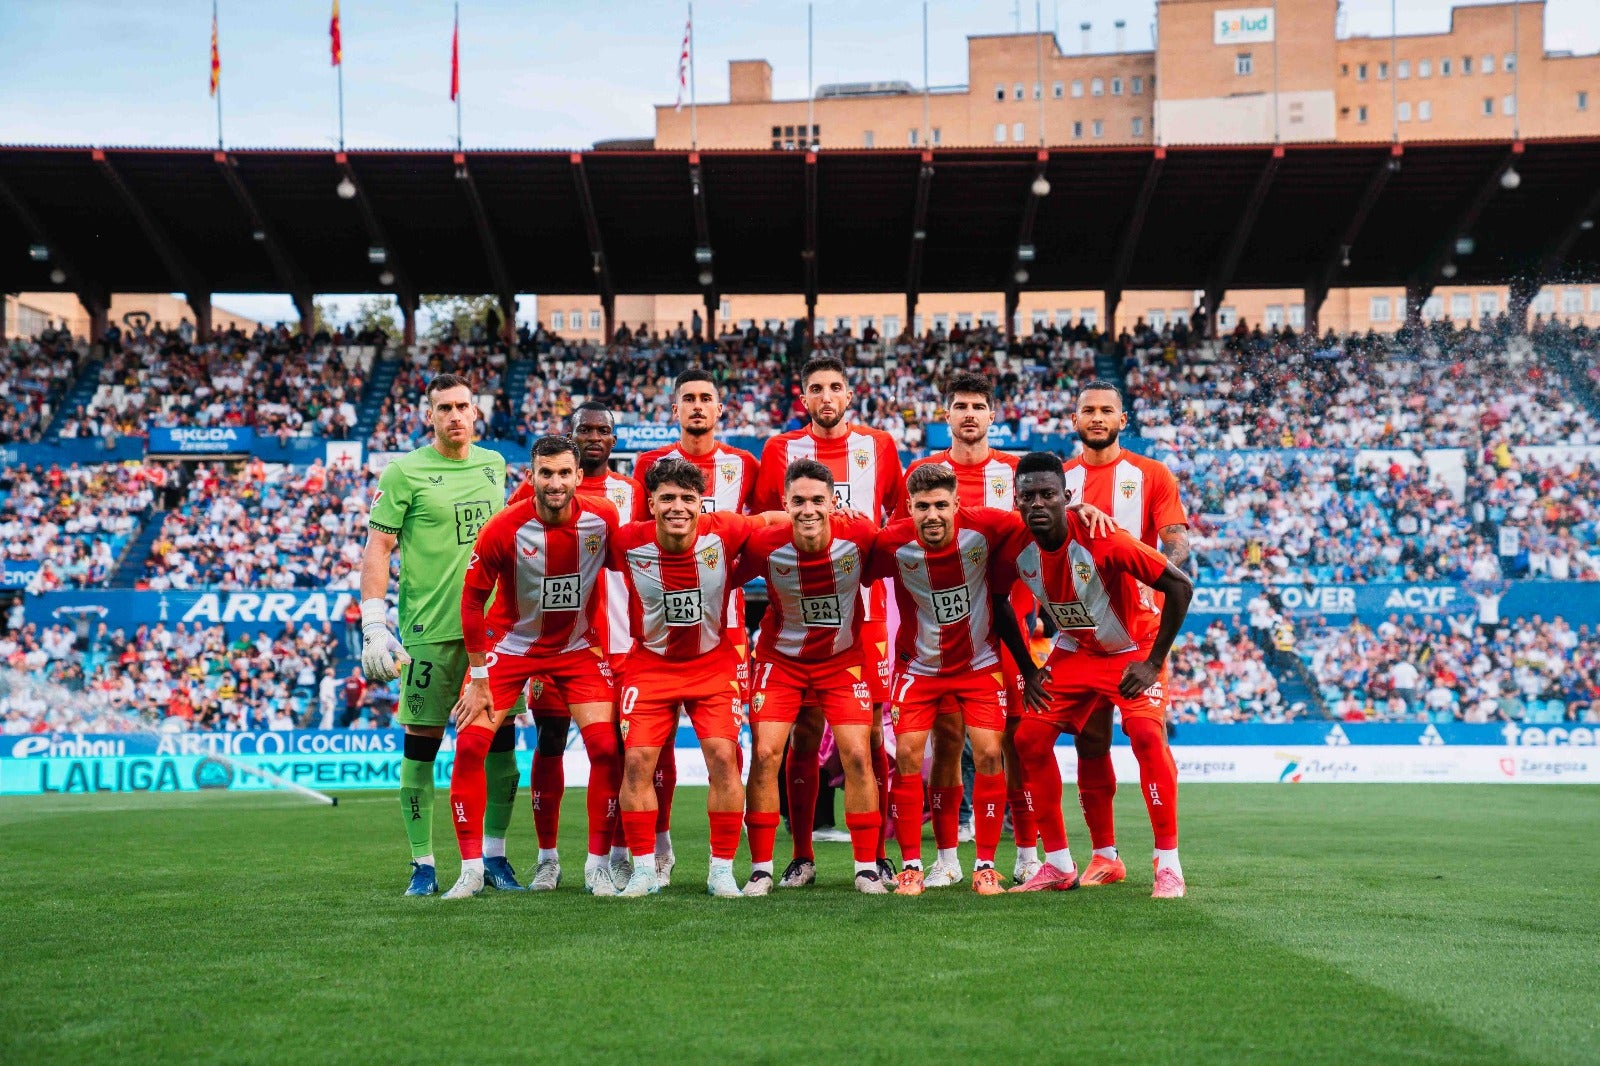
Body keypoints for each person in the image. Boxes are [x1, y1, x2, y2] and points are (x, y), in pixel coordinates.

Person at [1001, 452, 1194, 898]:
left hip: (1133, 647)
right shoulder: (1012, 540)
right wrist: (1030, 669)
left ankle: (1169, 865)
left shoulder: (1105, 537)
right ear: (1015, 501)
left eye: (1048, 495)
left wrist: (1152, 663)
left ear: (1067, 497)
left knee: (1146, 735)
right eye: (1027, 497)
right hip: (1075, 648)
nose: (1036, 504)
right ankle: (1061, 864)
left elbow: (1180, 585)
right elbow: (997, 601)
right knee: (1028, 739)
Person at [360, 374, 521, 897]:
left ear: (476, 413)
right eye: (444, 407)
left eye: (463, 406)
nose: (455, 415)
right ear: (430, 415)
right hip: (429, 634)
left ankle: (495, 858)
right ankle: (423, 864)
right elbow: (378, 549)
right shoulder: (404, 471)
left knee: (502, 753)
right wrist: (373, 623)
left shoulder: (493, 465)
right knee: (421, 752)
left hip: (492, 636)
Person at [446, 435, 623, 900]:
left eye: (565, 473)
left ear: (579, 477)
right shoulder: (503, 528)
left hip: (577, 648)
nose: (556, 482)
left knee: (607, 749)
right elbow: (471, 602)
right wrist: (479, 675)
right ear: (532, 476)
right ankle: (470, 870)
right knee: (469, 749)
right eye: (546, 473)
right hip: (512, 647)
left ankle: (598, 866)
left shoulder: (603, 520)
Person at [753, 355, 904, 886]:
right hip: (795, 608)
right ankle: (801, 856)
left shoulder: (880, 446)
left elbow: (900, 521)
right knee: (801, 735)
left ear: (849, 394)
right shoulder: (779, 450)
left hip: (865, 612)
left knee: (868, 733)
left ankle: (875, 854)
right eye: (815, 388)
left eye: (835, 387)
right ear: (803, 397)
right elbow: (762, 524)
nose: (826, 396)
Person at [608, 457, 788, 898]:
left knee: (724, 759)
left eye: (688, 499)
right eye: (667, 498)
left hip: (713, 664)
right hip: (650, 665)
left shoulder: (724, 529)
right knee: (636, 765)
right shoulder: (626, 541)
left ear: (701, 503)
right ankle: (645, 869)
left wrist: (832, 516)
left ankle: (721, 869)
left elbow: (773, 518)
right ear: (650, 503)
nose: (677, 507)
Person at [867, 464, 1024, 897]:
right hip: (918, 669)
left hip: (979, 663)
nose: (932, 515)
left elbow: (1036, 523)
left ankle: (986, 866)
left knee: (991, 753)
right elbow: (845, 547)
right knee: (910, 758)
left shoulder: (987, 527)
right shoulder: (891, 543)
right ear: (909, 510)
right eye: (922, 507)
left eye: (941, 505)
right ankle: (915, 866)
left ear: (957, 504)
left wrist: (1081, 509)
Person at [510, 402, 648, 892]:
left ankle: (611, 855)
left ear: (614, 439)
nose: (593, 437)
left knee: (615, 750)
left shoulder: (630, 492)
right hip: (558, 642)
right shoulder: (536, 488)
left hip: (620, 643)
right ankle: (547, 858)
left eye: (602, 431)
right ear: (569, 438)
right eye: (583, 430)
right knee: (549, 740)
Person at [735, 459, 888, 895]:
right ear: (785, 503)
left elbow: (903, 546)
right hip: (780, 660)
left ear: (833, 502)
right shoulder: (765, 544)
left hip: (842, 660)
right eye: (798, 501)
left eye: (817, 500)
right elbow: (722, 568)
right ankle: (766, 868)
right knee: (766, 753)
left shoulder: (859, 536)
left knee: (858, 754)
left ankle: (865, 868)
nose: (807, 509)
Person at [1058, 380, 1189, 888]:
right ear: (1074, 420)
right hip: (1083, 638)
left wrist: (1142, 568)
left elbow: (1176, 544)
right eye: (1087, 410)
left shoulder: (1151, 475)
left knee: (1145, 735)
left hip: (1139, 634)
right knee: (1090, 742)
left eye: (1105, 410)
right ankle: (1106, 856)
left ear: (1122, 419)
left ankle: (1168, 863)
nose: (1096, 417)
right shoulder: (1061, 481)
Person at [631, 370, 760, 885]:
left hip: (720, 640)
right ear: (675, 407)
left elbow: (765, 525)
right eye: (689, 399)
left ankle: (722, 869)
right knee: (646, 757)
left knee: (723, 754)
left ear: (722, 408)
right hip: (655, 645)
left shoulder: (744, 465)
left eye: (707, 398)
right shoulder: (649, 465)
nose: (698, 406)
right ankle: (653, 859)